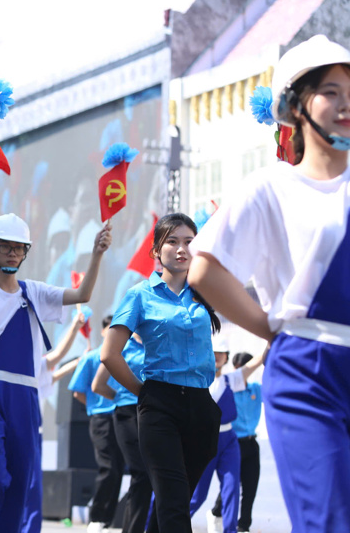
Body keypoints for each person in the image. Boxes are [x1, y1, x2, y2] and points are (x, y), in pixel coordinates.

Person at [188, 34, 350, 533]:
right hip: (308, 374)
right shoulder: (271, 187)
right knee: (328, 522)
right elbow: (205, 270)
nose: (346, 104)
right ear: (296, 106)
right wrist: (269, 327)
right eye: (330, 91)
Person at [0, 213, 110, 533]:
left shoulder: (35, 292)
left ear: (26, 252)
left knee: (18, 485)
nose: (12, 253)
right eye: (5, 246)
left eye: (19, 248)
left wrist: (97, 254)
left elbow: (82, 295)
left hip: (25, 396)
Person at [100, 213, 221, 533]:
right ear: (156, 250)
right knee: (173, 505)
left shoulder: (206, 292)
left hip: (202, 405)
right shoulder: (140, 295)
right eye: (172, 241)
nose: (181, 249)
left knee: (176, 502)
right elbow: (109, 354)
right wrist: (145, 393)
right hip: (159, 406)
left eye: (189, 242)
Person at [188, 337, 265, 533]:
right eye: (212, 353)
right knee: (198, 495)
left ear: (226, 357)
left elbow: (255, 363)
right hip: (205, 442)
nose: (216, 358)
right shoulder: (194, 381)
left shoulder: (232, 380)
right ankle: (162, 525)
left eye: (220, 354)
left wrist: (272, 341)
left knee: (231, 490)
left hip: (230, 440)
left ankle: (230, 530)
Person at [68, 315, 123, 533]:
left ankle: (107, 521)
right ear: (103, 331)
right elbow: (78, 393)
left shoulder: (124, 356)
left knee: (118, 469)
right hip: (101, 419)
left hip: (123, 416)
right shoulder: (91, 358)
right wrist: (95, 406)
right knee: (108, 467)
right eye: (110, 329)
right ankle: (96, 518)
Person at [92, 331, 148, 533]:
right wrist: (123, 397)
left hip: (156, 412)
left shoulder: (159, 342)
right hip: (128, 413)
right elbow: (98, 385)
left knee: (158, 474)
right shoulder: (123, 345)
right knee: (141, 473)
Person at [208, 351, 264, 533]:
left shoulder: (255, 389)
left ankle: (243, 526)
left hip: (251, 442)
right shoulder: (227, 386)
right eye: (239, 369)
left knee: (250, 488)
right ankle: (216, 513)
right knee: (230, 486)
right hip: (232, 441)